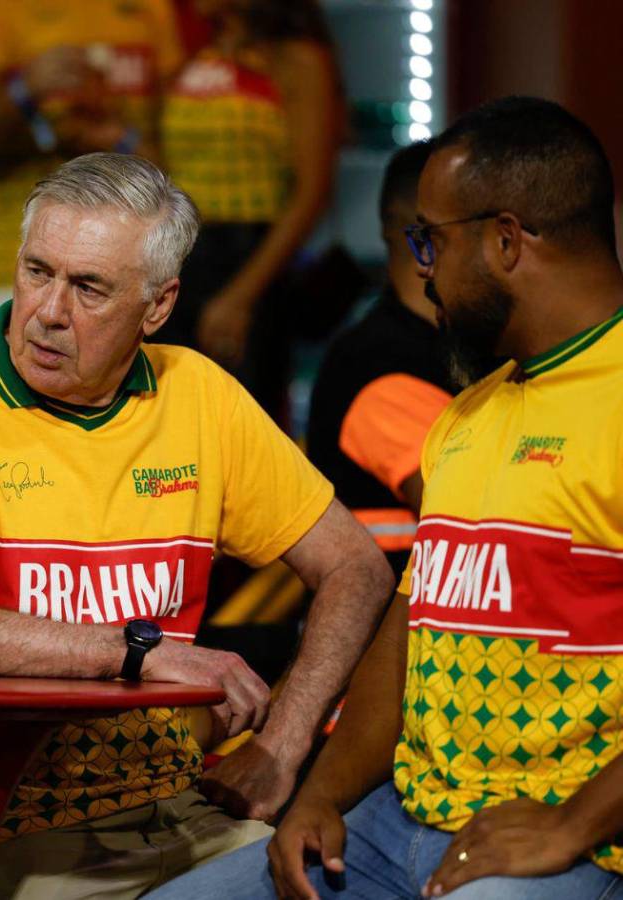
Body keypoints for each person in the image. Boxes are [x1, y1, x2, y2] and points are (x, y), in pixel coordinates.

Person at [0, 152, 393, 899]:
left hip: (190, 816)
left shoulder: (197, 394)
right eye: (38, 271)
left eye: (89, 288)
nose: (49, 310)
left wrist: (283, 742)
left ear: (158, 306)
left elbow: (356, 567)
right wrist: (139, 653)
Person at [148, 96, 623, 900]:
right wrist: (323, 795)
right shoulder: (468, 413)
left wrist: (575, 824)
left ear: (506, 240)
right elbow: (415, 622)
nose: (420, 266)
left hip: (564, 841)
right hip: (391, 825)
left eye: (428, 240)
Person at [0, 0, 183, 336]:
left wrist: (115, 135)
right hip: (18, 260)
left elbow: (169, 144)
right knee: (23, 389)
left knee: (138, 390)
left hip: (134, 262)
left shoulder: (153, 7)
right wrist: (27, 89)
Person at [159, 0, 343, 420]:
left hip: (250, 263)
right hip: (174, 258)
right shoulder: (193, 52)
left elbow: (312, 191)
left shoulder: (296, 58)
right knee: (172, 422)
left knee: (239, 429)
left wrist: (242, 296)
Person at [307, 139, 456, 578]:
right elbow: (470, 516)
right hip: (395, 632)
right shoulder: (379, 363)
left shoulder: (447, 348)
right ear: (428, 240)